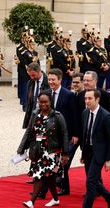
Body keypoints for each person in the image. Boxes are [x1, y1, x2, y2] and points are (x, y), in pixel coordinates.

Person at [17, 91, 69, 208]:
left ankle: (32, 201)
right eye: (41, 102)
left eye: (45, 102)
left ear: (51, 102)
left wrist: (65, 153)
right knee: (49, 177)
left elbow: (64, 134)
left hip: (52, 152)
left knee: (40, 174)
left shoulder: (57, 116)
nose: (43, 104)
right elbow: (29, 131)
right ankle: (55, 199)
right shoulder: (35, 114)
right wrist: (22, 147)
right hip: (38, 150)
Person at [76, 89, 110, 208]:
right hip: (88, 152)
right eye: (86, 99)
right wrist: (83, 153)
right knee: (94, 181)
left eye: (90, 99)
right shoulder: (84, 113)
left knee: (90, 182)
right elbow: (85, 135)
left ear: (97, 99)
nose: (87, 101)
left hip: (99, 153)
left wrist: (109, 159)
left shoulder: (105, 116)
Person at [46, 68, 78, 196]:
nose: (51, 82)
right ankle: (45, 188)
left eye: (53, 79)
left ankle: (64, 187)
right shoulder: (46, 93)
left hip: (66, 133)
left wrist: (75, 134)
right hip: (50, 133)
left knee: (63, 161)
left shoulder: (69, 95)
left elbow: (74, 115)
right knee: (47, 159)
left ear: (60, 80)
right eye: (49, 79)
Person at [22, 62, 49, 129]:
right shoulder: (30, 83)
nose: (32, 77)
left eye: (33, 75)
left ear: (39, 71)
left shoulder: (48, 82)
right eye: (30, 75)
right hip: (33, 113)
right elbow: (29, 101)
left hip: (45, 113)